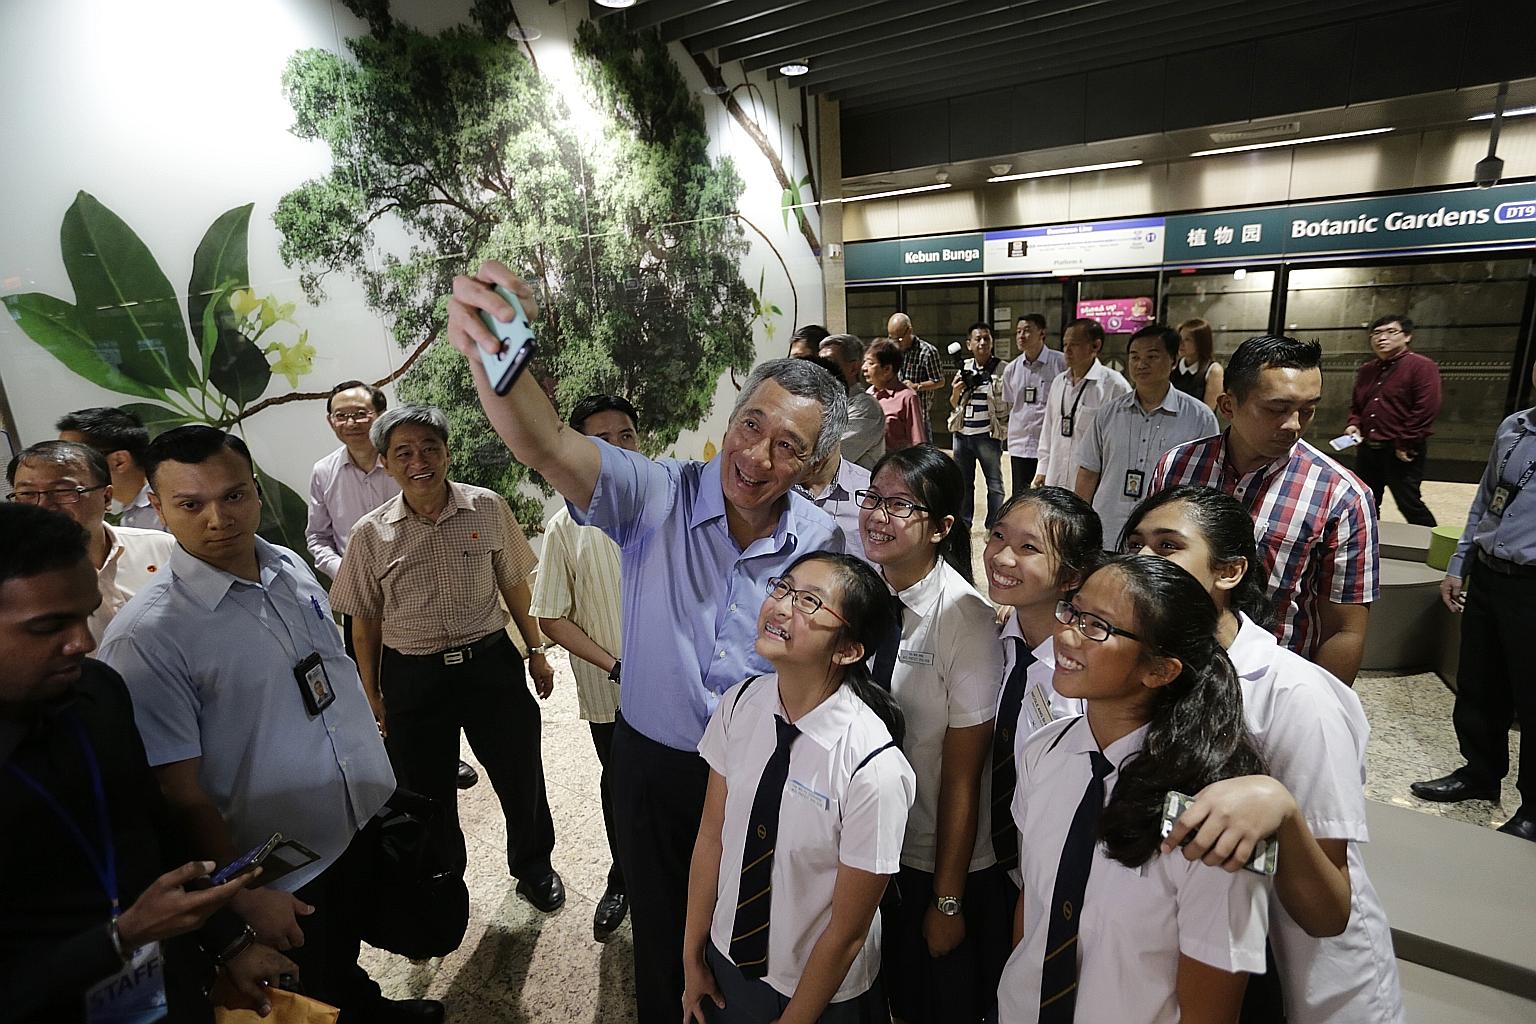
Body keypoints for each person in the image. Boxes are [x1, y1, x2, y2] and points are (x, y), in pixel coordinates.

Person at [445, 260, 844, 1024]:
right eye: (750, 425)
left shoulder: (821, 543)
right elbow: (548, 445)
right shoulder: (655, 494)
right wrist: (499, 356)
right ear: (730, 421)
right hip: (656, 767)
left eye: (788, 446)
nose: (757, 457)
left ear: (816, 463)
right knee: (662, 942)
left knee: (750, 933)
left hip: (762, 769)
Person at [96, 427, 434, 1022]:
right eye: (190, 504)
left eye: (234, 496)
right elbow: (181, 794)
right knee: (304, 992)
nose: (218, 519)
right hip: (278, 868)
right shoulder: (149, 639)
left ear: (255, 489)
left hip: (349, 820)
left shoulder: (286, 565)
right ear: (156, 505)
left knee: (344, 959)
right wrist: (244, 896)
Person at [0, 503, 293, 1024]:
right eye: (49, 626)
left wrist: (229, 943)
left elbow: (155, 833)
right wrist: (123, 935)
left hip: (171, 985)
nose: (84, 643)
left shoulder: (98, 695)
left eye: (85, 614)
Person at [1125, 486, 1404, 1023]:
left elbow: (1327, 906)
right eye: (1134, 544)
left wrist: (1278, 812)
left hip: (1300, 973)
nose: (1141, 562)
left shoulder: (1295, 696)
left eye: (1167, 547)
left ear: (1228, 572)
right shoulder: (1146, 667)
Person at [997, 556, 1271, 1024]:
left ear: (1160, 670)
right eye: (1074, 613)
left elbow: (1211, 1008)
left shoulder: (1215, 815)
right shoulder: (1045, 751)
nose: (1067, 635)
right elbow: (1037, 904)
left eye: (1098, 627)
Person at [329, 405, 563, 910]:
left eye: (430, 448)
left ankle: (534, 866)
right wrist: (370, 692)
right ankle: (442, 881)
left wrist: (537, 651)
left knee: (520, 774)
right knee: (427, 792)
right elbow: (363, 623)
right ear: (387, 464)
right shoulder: (370, 535)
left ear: (447, 453)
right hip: (413, 677)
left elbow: (514, 584)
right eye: (404, 453)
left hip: (490, 665)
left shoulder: (487, 507)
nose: (420, 461)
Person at [681, 552, 916, 1024]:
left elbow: (848, 932)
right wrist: (692, 953)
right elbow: (712, 837)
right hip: (728, 962)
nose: (783, 606)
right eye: (783, 589)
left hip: (818, 993)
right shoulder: (740, 705)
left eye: (810, 602)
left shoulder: (874, 767)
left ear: (848, 650)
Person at [856, 444, 1004, 1024]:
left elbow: (965, 777)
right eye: (873, 499)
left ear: (943, 527)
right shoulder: (866, 595)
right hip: (873, 842)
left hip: (930, 858)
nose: (878, 516)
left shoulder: (963, 619)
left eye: (900, 505)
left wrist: (947, 900)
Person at [1152, 335, 1378, 685]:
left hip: (1268, 683)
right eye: (1276, 409)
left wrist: (1320, 709)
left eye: (1307, 409)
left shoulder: (1341, 496)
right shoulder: (1178, 466)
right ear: (1228, 406)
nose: (1293, 425)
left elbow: (1344, 628)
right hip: (1172, 666)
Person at [978, 487, 1103, 1008]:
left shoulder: (1085, 676)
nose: (1002, 557)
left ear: (1072, 577)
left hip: (1058, 886)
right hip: (993, 867)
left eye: (1029, 549)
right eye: (998, 536)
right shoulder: (996, 638)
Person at [1410, 357, 1536, 840]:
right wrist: (1460, 564)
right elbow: (1486, 501)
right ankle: (1479, 773)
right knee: (1480, 683)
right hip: (1489, 574)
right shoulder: (1515, 427)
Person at [529, 393, 640, 939]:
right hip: (609, 690)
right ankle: (623, 874)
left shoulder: (669, 509)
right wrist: (615, 665)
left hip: (680, 688)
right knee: (619, 782)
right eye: (601, 441)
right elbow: (550, 617)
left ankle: (681, 876)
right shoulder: (563, 529)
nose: (617, 449)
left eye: (627, 436)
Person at [6, 440, 175, 641]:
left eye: (63, 491)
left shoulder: (162, 548)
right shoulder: (12, 579)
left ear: (106, 497)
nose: (43, 505)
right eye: (27, 494)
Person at [1074, 325, 1218, 545]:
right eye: (1134, 357)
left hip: (1165, 539)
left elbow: (1206, 486)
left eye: (1152, 356)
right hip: (1107, 532)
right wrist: (1080, 525)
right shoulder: (1108, 413)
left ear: (1173, 359)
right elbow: (1088, 471)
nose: (1141, 364)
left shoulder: (1200, 418)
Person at [1345, 315, 1442, 527]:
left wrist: (1405, 442)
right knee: (1366, 500)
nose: (1382, 338)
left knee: (1409, 503)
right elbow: (1357, 406)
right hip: (1368, 448)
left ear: (1407, 336)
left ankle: (1430, 544)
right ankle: (1370, 542)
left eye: (1391, 332)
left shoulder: (1422, 366)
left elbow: (1426, 408)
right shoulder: (1367, 370)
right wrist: (1354, 424)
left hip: (1401, 450)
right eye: (1377, 333)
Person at [1033, 318, 1130, 490]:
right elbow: (1048, 430)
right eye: (1065, 344)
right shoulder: (1058, 382)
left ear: (1095, 346)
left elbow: (1121, 444)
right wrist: (1042, 469)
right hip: (1055, 476)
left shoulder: (1114, 386)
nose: (1067, 350)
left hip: (1091, 484)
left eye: (1074, 344)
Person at [56, 406, 165, 531]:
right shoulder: (130, 513)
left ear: (119, 461)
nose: (62, 467)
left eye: (72, 457)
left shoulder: (170, 506)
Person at [948, 321, 1009, 529]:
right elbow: (954, 403)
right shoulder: (962, 367)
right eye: (978, 339)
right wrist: (957, 391)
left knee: (995, 484)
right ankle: (964, 525)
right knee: (964, 484)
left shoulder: (1002, 368)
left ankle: (993, 526)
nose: (982, 342)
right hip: (962, 435)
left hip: (987, 435)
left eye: (986, 338)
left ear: (992, 343)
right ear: (969, 344)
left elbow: (1009, 403)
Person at [998, 314, 1065, 499]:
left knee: (1047, 497)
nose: (1021, 336)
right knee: (1020, 496)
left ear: (1042, 333)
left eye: (1027, 330)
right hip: (1020, 443)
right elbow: (1011, 403)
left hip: (1050, 444)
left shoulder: (1060, 362)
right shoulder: (1011, 369)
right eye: (1018, 332)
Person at [817, 333, 887, 470]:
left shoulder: (866, 408)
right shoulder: (822, 403)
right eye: (819, 363)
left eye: (830, 362)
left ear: (854, 368)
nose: (822, 369)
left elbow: (828, 457)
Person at [864, 338, 926, 453]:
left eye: (871, 363)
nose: (864, 368)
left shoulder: (907, 397)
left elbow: (917, 440)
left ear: (887, 369)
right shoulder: (868, 394)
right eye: (865, 362)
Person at [1172, 318, 1224, 409]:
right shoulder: (1173, 365)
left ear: (1201, 342)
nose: (1181, 343)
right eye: (1180, 338)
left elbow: (1208, 411)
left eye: (1187, 339)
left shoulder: (1213, 370)